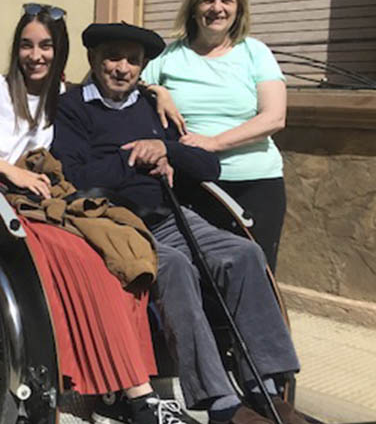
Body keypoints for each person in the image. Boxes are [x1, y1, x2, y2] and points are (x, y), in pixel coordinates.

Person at [0, 6, 190, 424]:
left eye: (46, 46)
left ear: (61, 51)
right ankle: (139, 397)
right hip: (2, 199)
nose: (36, 55)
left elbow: (118, 81)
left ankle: (118, 388)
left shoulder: (62, 95)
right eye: (27, 45)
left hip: (51, 199)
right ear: (16, 49)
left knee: (121, 257)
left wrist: (160, 92)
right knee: (86, 261)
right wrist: (6, 168)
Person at [52, 22, 305, 424]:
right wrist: (133, 155)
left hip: (170, 215)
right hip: (115, 225)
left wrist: (167, 148)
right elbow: (75, 174)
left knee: (243, 252)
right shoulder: (74, 106)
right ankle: (219, 400)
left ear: (142, 68)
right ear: (93, 60)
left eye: (133, 61)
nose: (122, 68)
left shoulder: (153, 105)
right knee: (174, 267)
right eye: (113, 57)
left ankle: (267, 386)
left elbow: (208, 164)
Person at [143, 0, 287, 271]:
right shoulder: (168, 57)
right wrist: (157, 91)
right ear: (194, 7)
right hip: (193, 184)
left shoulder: (255, 53)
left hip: (255, 184)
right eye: (208, 0)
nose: (217, 8)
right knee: (200, 274)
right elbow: (129, 88)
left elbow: (274, 117)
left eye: (226, 1)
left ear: (238, 10)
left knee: (255, 274)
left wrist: (213, 143)